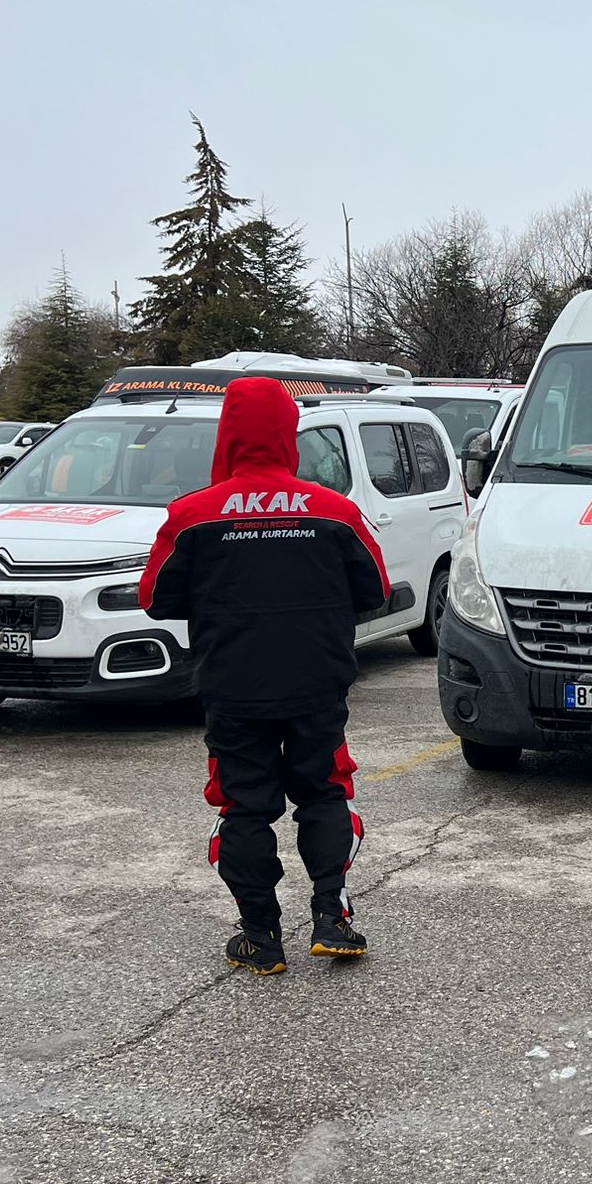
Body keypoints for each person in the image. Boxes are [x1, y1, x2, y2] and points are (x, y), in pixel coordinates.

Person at [139, 377, 390, 976]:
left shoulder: (192, 515)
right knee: (325, 792)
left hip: (234, 688)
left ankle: (260, 934)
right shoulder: (335, 511)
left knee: (244, 809)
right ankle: (332, 915)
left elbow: (155, 598)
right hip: (317, 685)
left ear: (227, 434)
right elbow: (375, 590)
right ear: (288, 434)